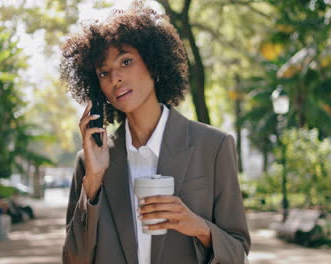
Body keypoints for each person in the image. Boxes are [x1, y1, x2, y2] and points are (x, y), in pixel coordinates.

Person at [60, 2, 250, 263]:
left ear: (154, 64)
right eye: (104, 72)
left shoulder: (214, 146)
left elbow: (237, 252)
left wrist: (198, 226)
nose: (115, 77)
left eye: (126, 61)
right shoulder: (90, 162)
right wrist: (93, 181)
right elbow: (74, 259)